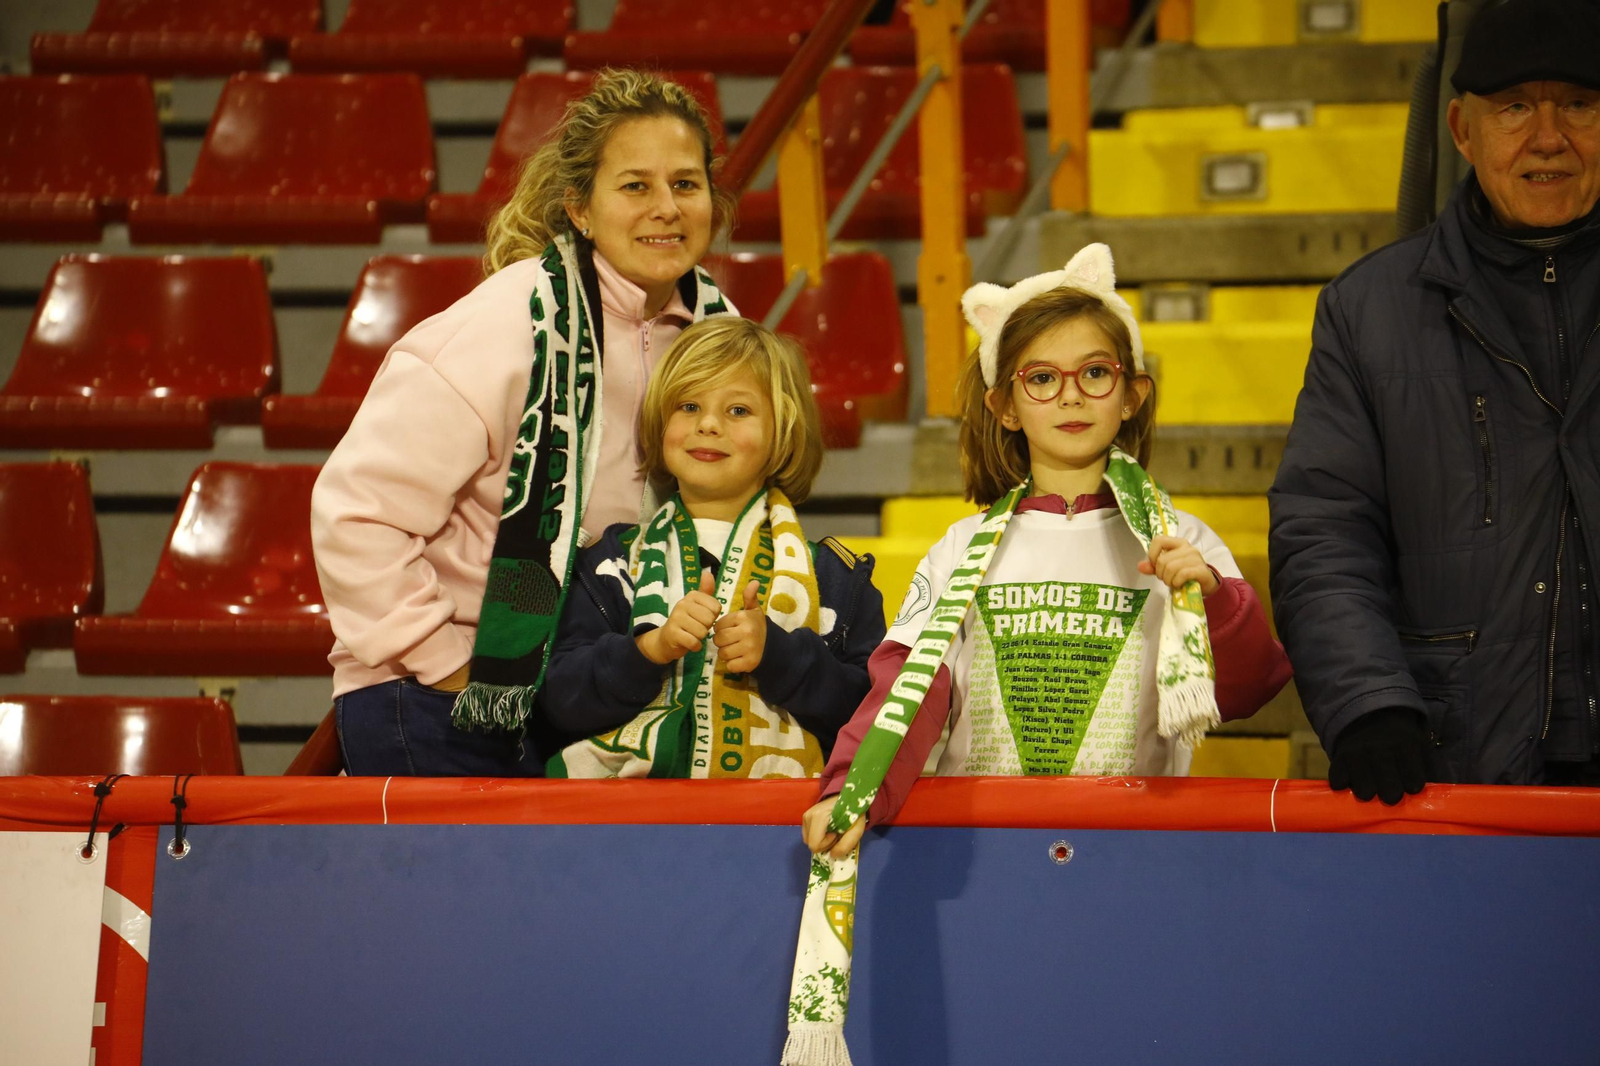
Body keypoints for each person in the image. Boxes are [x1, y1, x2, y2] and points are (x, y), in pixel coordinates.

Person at [311, 69, 739, 776]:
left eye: (686, 184)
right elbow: (356, 515)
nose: (667, 207)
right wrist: (449, 666)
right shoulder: (507, 323)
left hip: (593, 684)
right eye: (635, 186)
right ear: (579, 207)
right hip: (448, 695)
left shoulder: (719, 337)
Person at [802, 244, 1292, 857]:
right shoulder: (960, 550)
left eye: (1094, 372)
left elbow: (1248, 690)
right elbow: (908, 689)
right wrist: (855, 788)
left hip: (1133, 848)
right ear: (1004, 406)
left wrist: (1213, 602)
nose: (1071, 396)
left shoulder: (1182, 541)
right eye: (1041, 378)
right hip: (981, 850)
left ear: (1131, 393)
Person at [1269, 0, 1600, 801]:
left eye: (1581, 106)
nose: (1548, 137)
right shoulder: (1367, 310)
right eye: (1515, 108)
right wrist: (1369, 703)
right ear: (1460, 129)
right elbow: (1325, 532)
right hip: (1457, 775)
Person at [538, 317, 885, 778]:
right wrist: (648, 650)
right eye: (688, 406)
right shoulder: (610, 564)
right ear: (661, 425)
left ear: (782, 434)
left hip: (776, 831)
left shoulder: (837, 579)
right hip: (624, 830)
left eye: (738, 411)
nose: (707, 424)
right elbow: (557, 704)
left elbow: (873, 720)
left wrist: (780, 656)